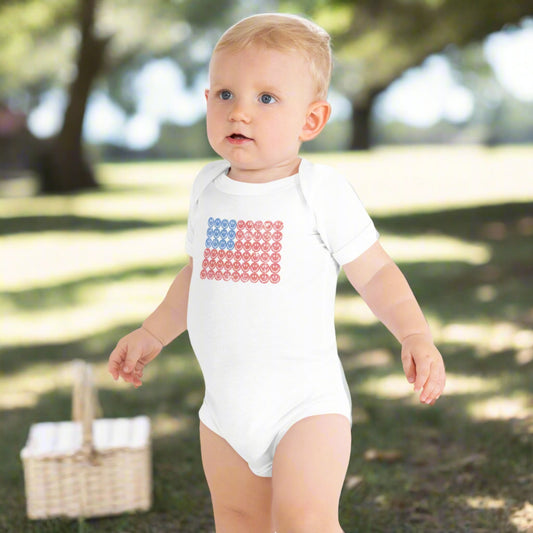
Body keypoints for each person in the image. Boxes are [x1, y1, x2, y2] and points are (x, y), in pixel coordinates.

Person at [108, 13, 446, 533]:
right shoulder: (207, 188)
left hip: (305, 405)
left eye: (266, 98)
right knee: (239, 521)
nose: (239, 110)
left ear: (310, 121)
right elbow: (200, 275)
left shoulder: (319, 192)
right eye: (225, 94)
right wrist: (154, 331)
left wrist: (414, 332)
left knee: (303, 521)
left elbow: (376, 272)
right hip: (224, 410)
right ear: (206, 102)